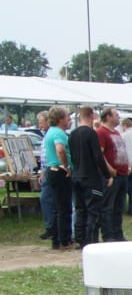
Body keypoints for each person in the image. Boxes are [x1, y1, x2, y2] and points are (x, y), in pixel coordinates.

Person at [68, 106, 112, 248]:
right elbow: (98, 156)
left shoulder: (72, 134)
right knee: (93, 211)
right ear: (91, 116)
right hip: (90, 177)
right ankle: (90, 240)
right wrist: (107, 174)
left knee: (80, 209)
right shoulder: (91, 134)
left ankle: (80, 239)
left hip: (76, 176)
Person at [95, 107, 129, 241]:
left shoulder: (116, 132)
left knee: (119, 207)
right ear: (108, 117)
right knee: (108, 206)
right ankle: (108, 234)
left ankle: (118, 233)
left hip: (123, 174)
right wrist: (108, 169)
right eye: (116, 115)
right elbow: (100, 154)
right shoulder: (101, 133)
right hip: (111, 176)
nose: (118, 117)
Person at [42, 106, 72, 248]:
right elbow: (60, 149)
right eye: (67, 117)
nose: (68, 120)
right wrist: (66, 166)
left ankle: (56, 239)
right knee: (64, 208)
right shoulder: (59, 133)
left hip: (51, 171)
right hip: (59, 172)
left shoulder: (50, 131)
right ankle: (63, 240)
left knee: (56, 207)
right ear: (60, 119)